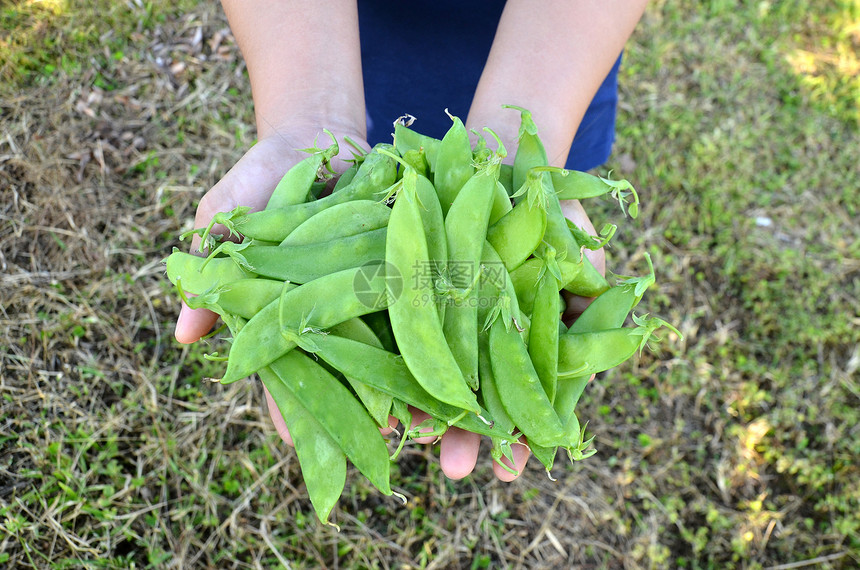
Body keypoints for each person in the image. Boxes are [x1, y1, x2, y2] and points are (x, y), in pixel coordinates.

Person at [174, 0, 649, 482]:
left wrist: (527, 137)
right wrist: (310, 113)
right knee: (387, 193)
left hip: (559, 56)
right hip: (342, 41)